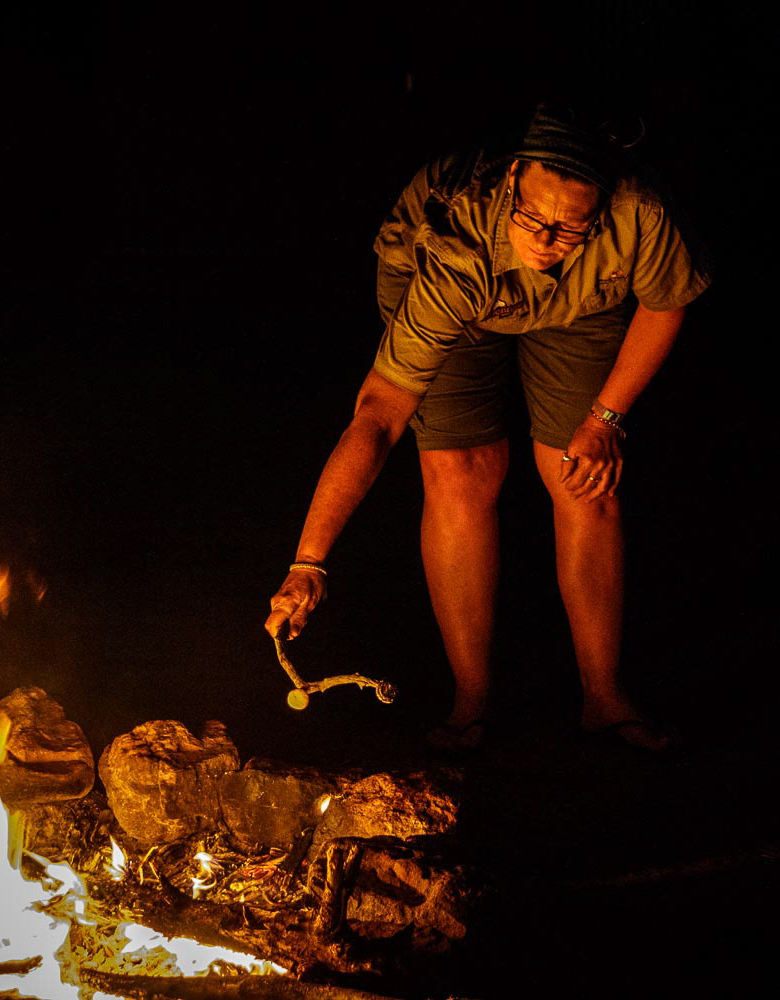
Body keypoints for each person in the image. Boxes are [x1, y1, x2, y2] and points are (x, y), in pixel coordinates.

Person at [263, 104, 711, 752]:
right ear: (512, 182)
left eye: (567, 226)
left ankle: (605, 700)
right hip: (461, 291)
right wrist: (310, 561)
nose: (544, 241)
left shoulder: (639, 209)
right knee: (458, 469)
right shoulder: (458, 247)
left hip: (582, 301)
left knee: (584, 474)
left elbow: (665, 304)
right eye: (532, 217)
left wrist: (605, 418)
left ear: (604, 207)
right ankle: (470, 703)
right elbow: (380, 415)